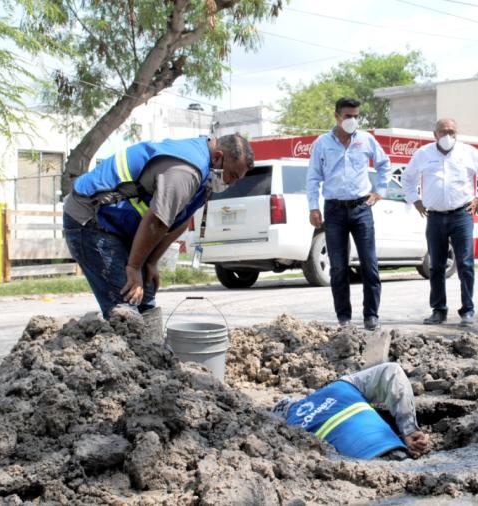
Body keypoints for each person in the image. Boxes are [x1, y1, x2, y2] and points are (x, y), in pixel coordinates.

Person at [63, 134, 254, 330]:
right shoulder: (187, 170)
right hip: (89, 218)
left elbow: (179, 220)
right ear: (217, 157)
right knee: (126, 303)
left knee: (145, 292)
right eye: (232, 175)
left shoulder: (207, 175)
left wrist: (151, 261)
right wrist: (134, 266)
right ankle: (129, 354)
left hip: (118, 225)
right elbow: (157, 222)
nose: (231, 183)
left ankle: (153, 355)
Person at [401, 118, 478, 326]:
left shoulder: (467, 152)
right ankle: (438, 309)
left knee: (465, 264)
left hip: (461, 215)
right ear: (435, 134)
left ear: (457, 133)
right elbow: (407, 178)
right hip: (434, 216)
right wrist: (415, 200)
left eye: (452, 132)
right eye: (443, 132)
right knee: (436, 265)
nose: (448, 136)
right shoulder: (423, 154)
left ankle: (467, 310)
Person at [306, 97, 391, 331]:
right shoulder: (323, 143)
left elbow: (384, 164)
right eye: (348, 116)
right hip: (334, 210)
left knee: (369, 263)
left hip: (361, 208)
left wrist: (379, 191)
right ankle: (343, 317)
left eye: (356, 116)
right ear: (337, 116)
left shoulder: (366, 140)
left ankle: (371, 315)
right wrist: (313, 207)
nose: (352, 120)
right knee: (338, 266)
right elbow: (313, 177)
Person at [271, 362, 430, 460]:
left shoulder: (289, 429)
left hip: (360, 467)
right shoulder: (342, 385)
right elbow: (392, 371)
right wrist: (409, 430)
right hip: (398, 451)